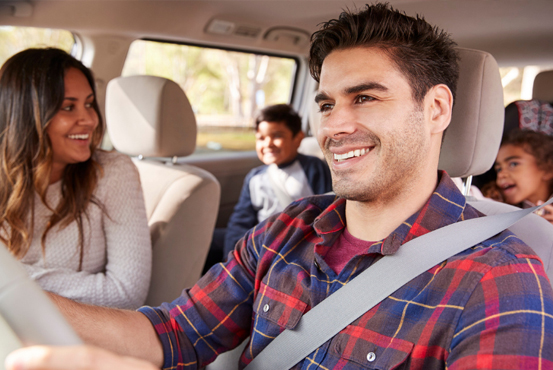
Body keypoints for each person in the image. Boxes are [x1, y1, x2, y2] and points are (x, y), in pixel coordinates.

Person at [6, 4, 553, 370]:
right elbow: (174, 333)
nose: (335, 126)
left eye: (365, 98)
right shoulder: (287, 230)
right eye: (326, 103)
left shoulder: (497, 278)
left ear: (435, 109)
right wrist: (16, 297)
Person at [0, 48, 152, 309]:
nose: (90, 119)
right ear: (25, 117)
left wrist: (13, 279)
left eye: (90, 104)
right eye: (68, 107)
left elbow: (126, 293)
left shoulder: (112, 173)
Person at [223, 104, 332, 255]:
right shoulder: (255, 177)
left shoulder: (313, 167)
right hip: (260, 242)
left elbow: (327, 211)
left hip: (298, 242)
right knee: (207, 238)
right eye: (261, 138)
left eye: (277, 136)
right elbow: (240, 221)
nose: (268, 144)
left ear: (298, 138)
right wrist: (233, 255)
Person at [482, 129, 553, 223]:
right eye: (498, 169)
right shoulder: (498, 208)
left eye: (513, 164)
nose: (501, 174)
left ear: (547, 169)